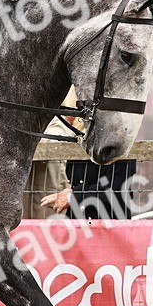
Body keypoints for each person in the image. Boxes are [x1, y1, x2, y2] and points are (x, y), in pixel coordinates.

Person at [39, 88, 136, 219]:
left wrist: (73, 196)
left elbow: (116, 189)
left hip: (110, 226)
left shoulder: (118, 139)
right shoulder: (78, 141)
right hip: (78, 226)